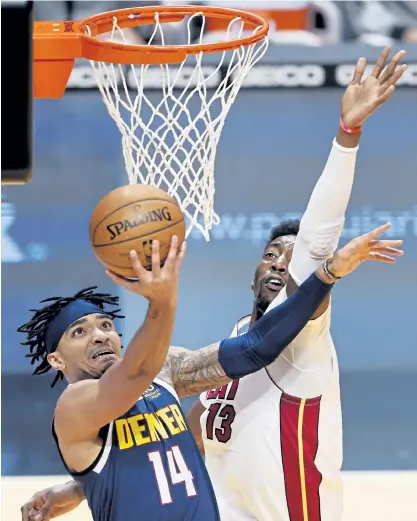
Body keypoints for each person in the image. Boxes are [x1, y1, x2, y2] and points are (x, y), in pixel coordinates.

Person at [21, 46, 406, 521]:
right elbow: (158, 415)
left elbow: (263, 336)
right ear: (56, 358)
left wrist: (326, 268)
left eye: (104, 324)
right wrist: (84, 483)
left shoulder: (294, 336)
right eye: (80, 332)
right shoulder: (94, 397)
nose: (100, 333)